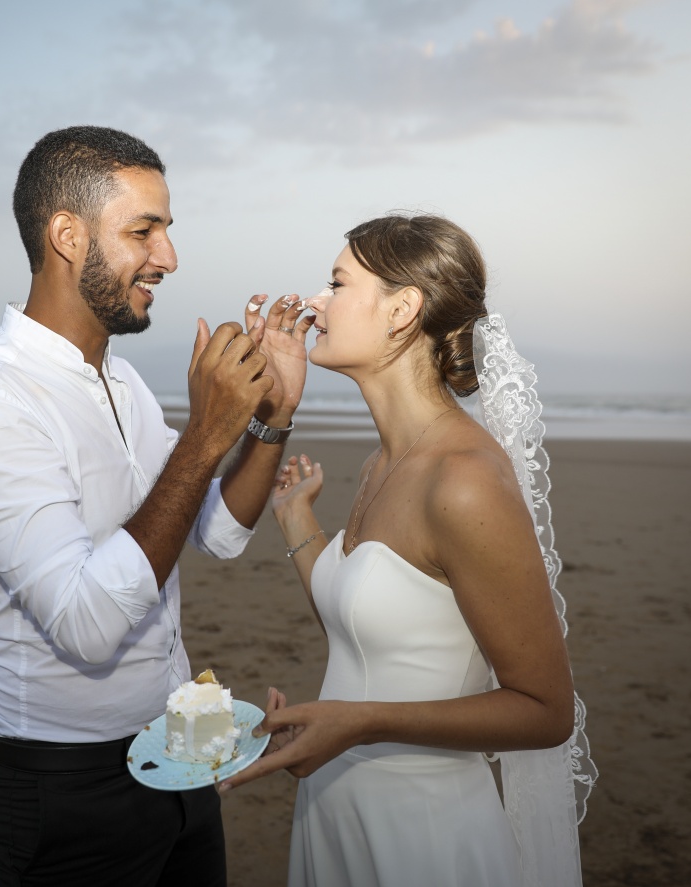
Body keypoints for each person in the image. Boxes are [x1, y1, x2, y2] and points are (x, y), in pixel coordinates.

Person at [0, 125, 310, 887]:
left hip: (181, 748)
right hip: (67, 791)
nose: (169, 257)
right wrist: (205, 434)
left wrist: (272, 418)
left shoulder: (122, 382)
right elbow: (87, 624)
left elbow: (219, 530)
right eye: (143, 231)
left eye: (167, 229)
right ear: (67, 236)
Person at [219, 214, 594, 886]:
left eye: (337, 283)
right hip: (335, 807)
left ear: (402, 310)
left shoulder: (464, 480)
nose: (315, 302)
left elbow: (545, 712)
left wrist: (356, 722)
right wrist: (296, 518)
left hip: (423, 833)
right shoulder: (381, 462)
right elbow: (375, 627)